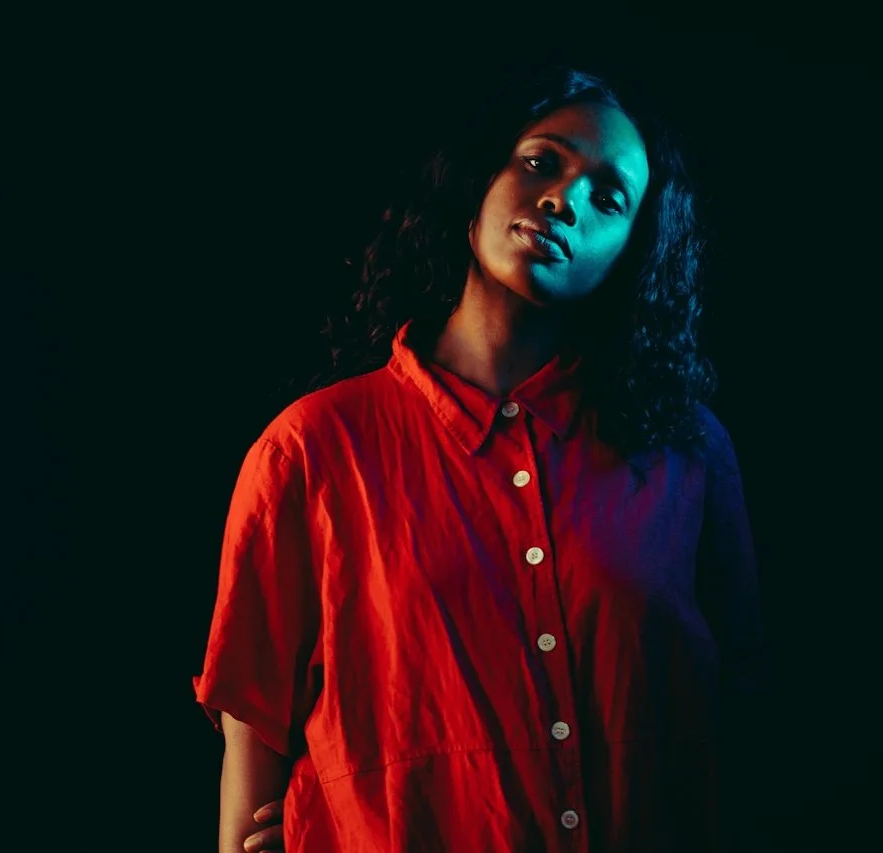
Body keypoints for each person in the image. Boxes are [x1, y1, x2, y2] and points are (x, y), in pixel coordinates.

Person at [192, 65, 764, 852]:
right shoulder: (312, 447)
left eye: (609, 198)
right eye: (541, 162)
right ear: (477, 180)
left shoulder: (687, 453)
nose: (562, 199)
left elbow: (736, 719)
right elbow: (253, 727)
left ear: (631, 253)